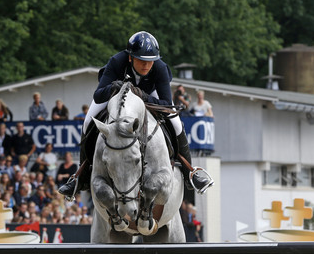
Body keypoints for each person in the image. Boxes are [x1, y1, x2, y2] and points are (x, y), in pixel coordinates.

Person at [58, 31, 213, 199]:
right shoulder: (117, 62)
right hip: (116, 96)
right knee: (88, 121)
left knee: (175, 123)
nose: (146, 65)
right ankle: (81, 176)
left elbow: (167, 103)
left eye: (150, 61)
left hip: (149, 95)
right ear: (130, 57)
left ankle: (190, 172)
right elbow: (98, 95)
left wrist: (143, 97)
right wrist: (113, 87)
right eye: (141, 60)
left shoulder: (159, 67)